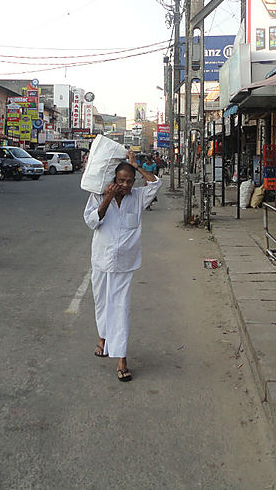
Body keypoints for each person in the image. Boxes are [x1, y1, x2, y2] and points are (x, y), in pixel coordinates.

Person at [84, 150, 160, 382]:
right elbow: (91, 222)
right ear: (113, 180)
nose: (125, 185)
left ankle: (121, 358)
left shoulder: (138, 197)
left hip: (125, 263)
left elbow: (156, 183)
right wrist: (107, 198)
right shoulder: (99, 196)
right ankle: (103, 338)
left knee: (119, 308)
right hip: (101, 260)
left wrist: (136, 166)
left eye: (129, 181)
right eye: (121, 181)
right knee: (102, 303)